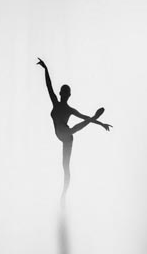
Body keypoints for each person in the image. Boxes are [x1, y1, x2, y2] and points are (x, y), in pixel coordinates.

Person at [36, 57, 112, 195]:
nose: (64, 95)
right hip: (62, 134)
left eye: (66, 93)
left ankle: (64, 193)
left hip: (67, 136)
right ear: (61, 94)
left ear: (68, 95)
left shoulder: (68, 109)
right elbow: (49, 85)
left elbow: (85, 117)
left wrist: (100, 123)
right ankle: (92, 119)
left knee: (66, 165)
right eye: (63, 93)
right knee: (64, 165)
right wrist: (45, 68)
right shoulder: (56, 103)